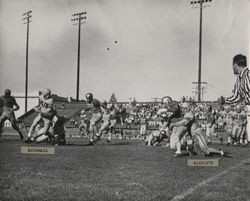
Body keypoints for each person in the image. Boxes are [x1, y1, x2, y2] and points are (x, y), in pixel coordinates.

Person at [225, 54, 250, 144]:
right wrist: (224, 100)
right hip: (247, 109)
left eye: (233, 66)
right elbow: (236, 96)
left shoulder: (248, 75)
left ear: (235, 65)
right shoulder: (238, 79)